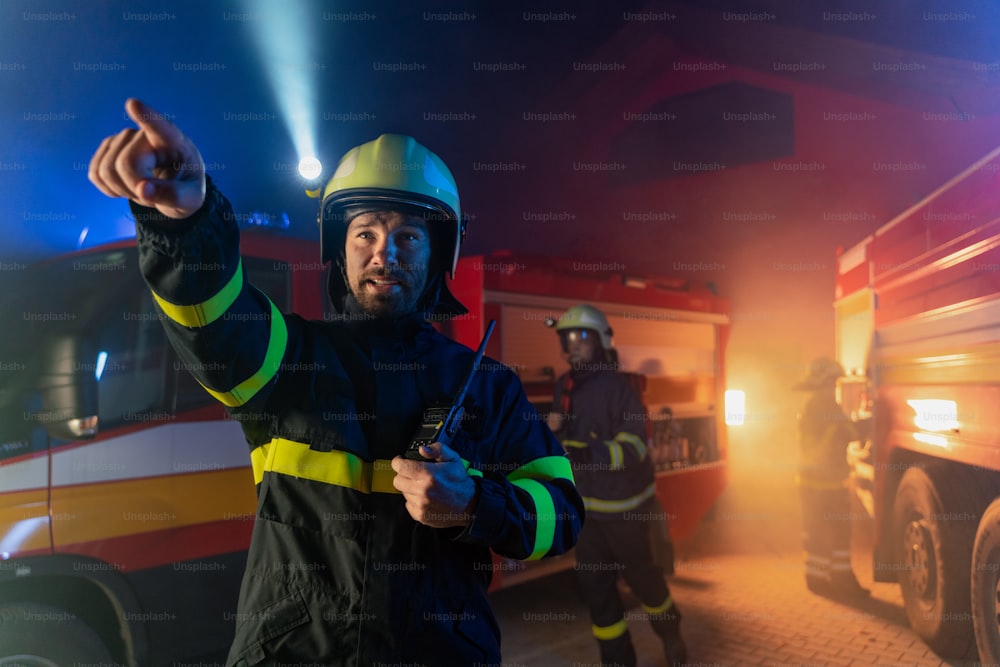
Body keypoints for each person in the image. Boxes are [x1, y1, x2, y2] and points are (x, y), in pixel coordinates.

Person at [88, 98, 584, 666]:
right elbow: (209, 318)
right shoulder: (286, 358)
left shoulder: (490, 386)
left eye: (409, 238)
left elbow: (562, 515)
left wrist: (475, 502)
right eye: (365, 234)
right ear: (339, 249)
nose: (384, 254)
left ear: (438, 254)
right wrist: (187, 223)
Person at [547, 305, 686, 667]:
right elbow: (566, 439)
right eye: (566, 339)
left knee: (644, 582)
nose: (571, 347)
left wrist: (581, 453)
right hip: (586, 513)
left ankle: (671, 635)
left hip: (625, 510)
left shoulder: (618, 388)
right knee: (597, 592)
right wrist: (556, 431)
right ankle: (618, 660)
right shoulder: (565, 384)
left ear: (600, 341)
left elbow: (635, 445)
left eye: (579, 338)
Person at [794, 356, 868, 599]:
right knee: (836, 534)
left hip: (812, 484)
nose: (834, 386)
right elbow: (850, 431)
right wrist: (871, 422)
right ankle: (838, 581)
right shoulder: (826, 406)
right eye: (833, 381)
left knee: (817, 533)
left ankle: (819, 578)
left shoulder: (811, 405)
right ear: (824, 381)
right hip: (827, 485)